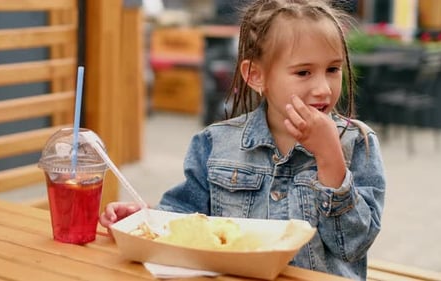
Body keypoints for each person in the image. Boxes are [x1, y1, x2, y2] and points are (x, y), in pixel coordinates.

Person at [100, 0, 386, 280]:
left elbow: (354, 246)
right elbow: (186, 217)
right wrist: (145, 219)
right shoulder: (215, 143)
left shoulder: (358, 143)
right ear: (256, 76)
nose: (323, 88)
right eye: (303, 72)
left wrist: (330, 159)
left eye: (333, 69)